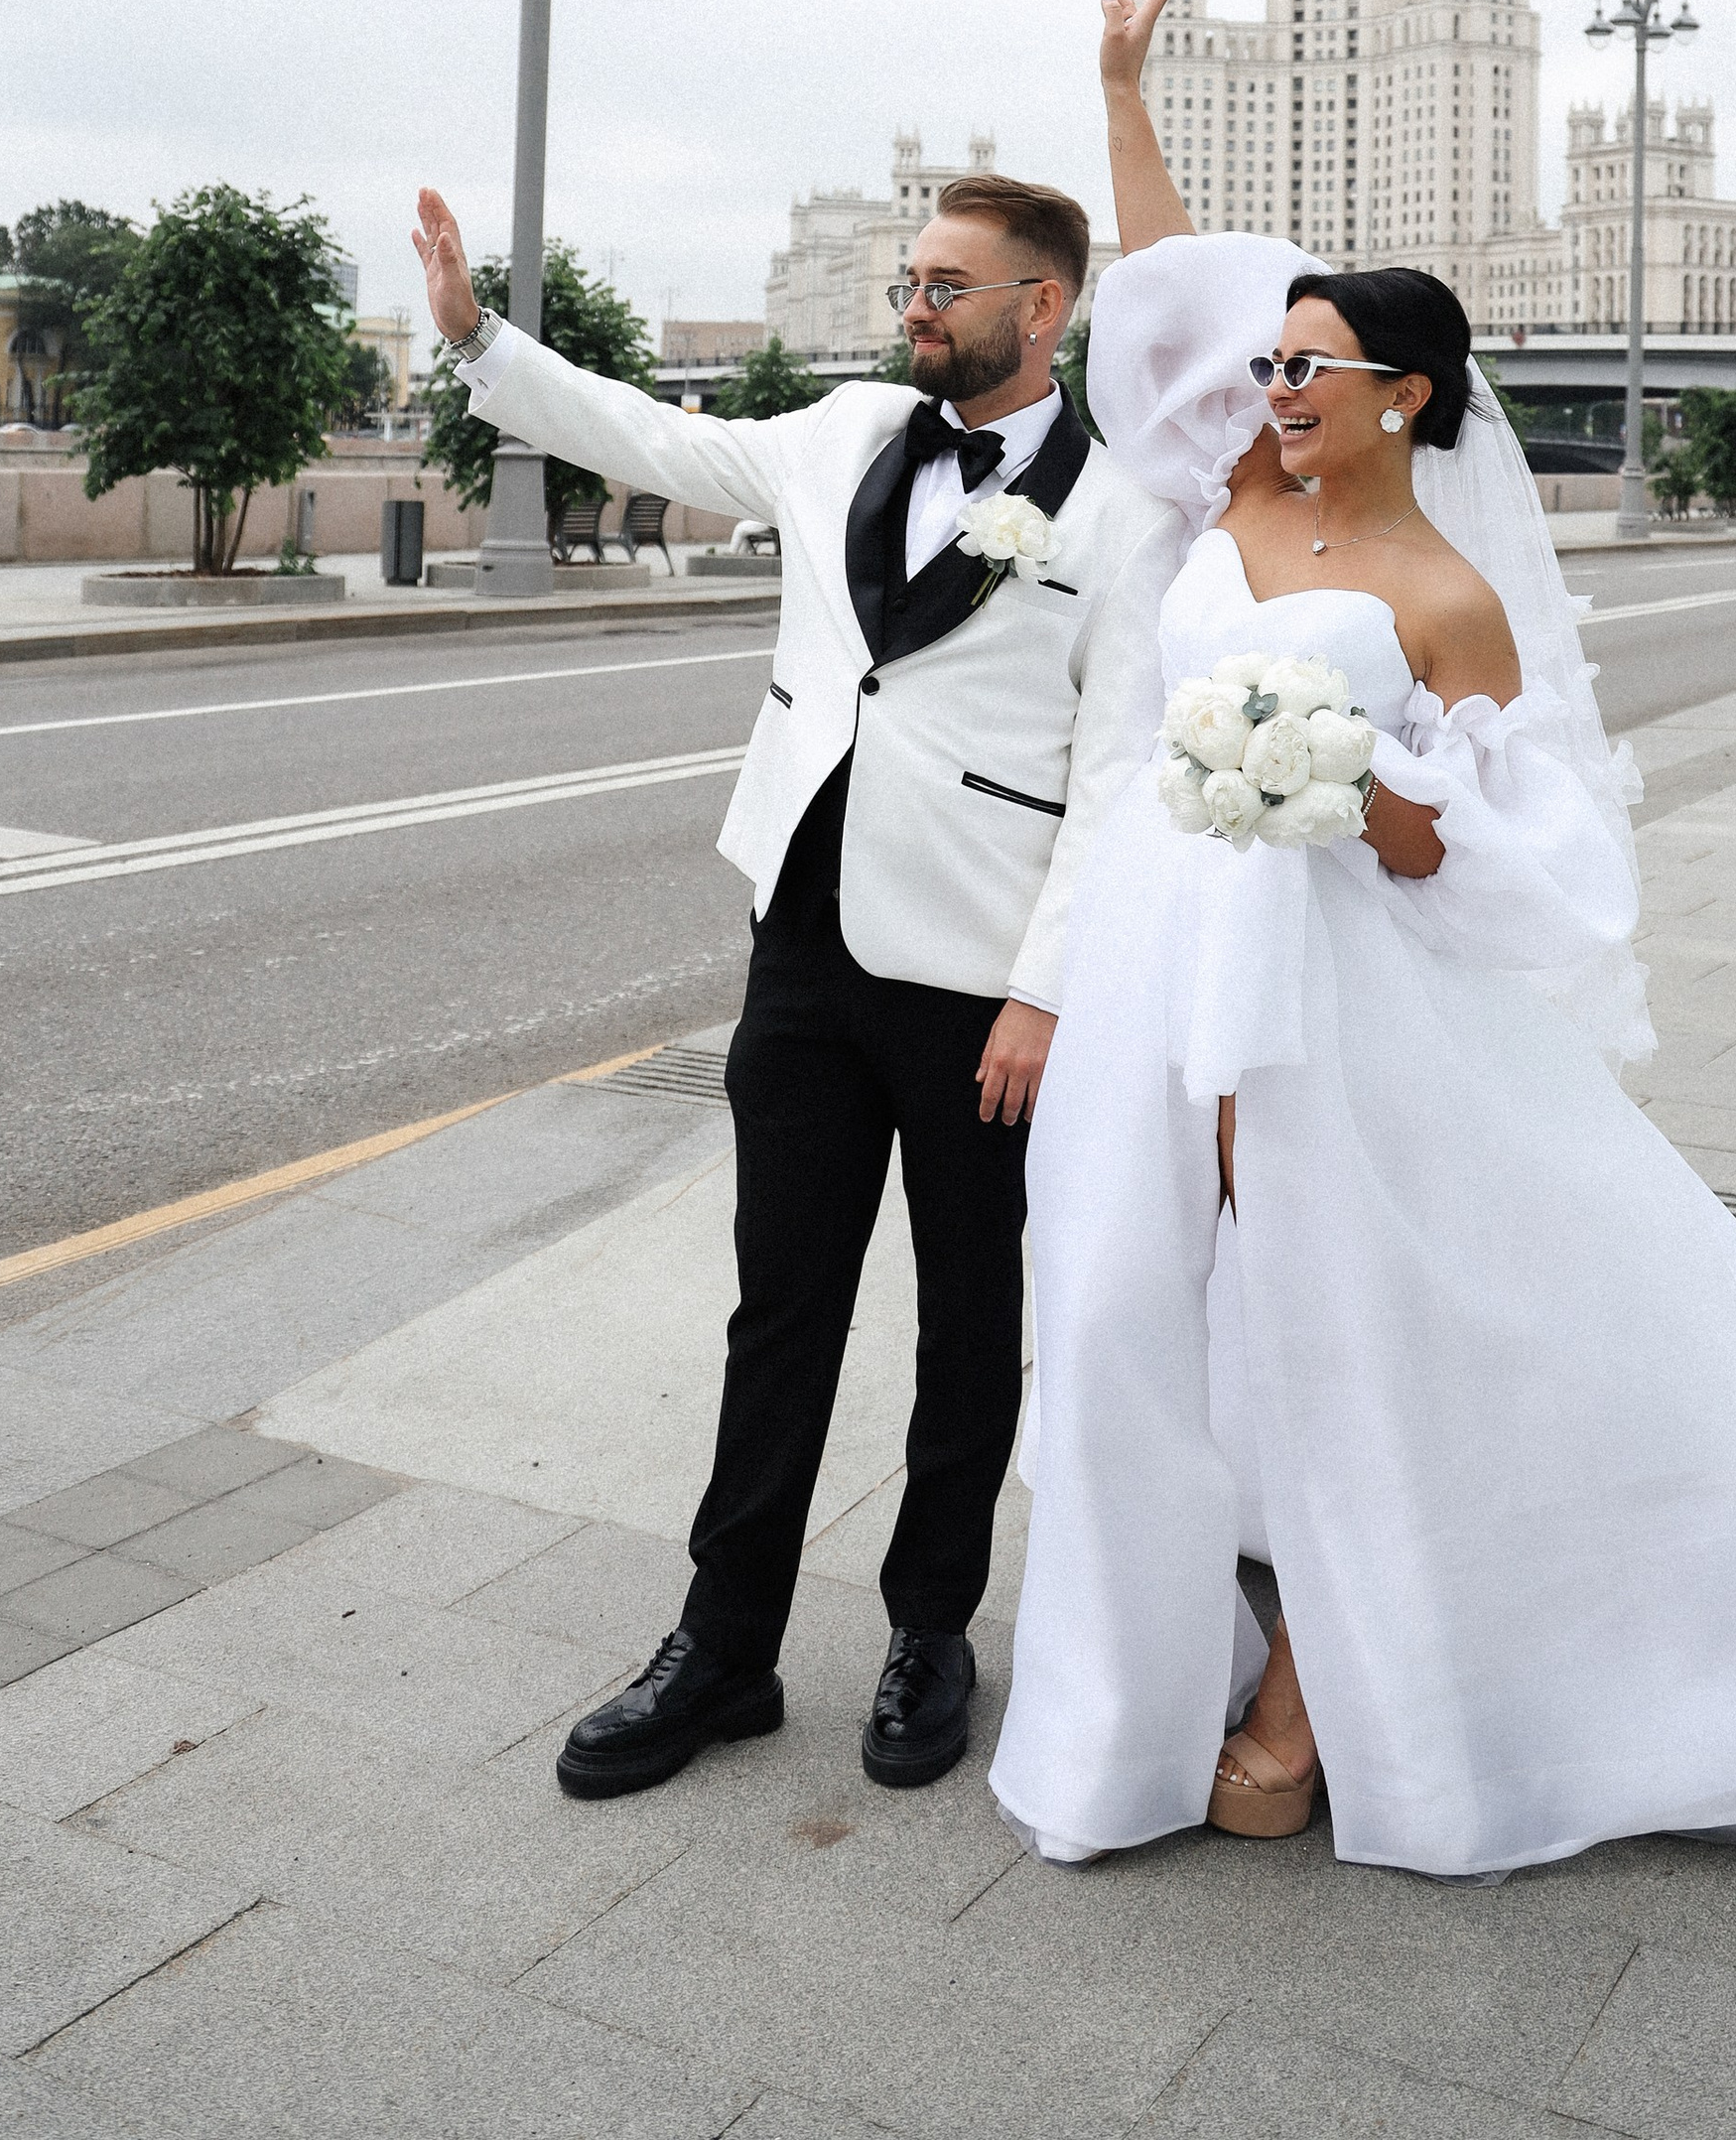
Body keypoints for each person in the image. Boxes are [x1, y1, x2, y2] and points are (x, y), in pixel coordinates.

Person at [986, 0, 1736, 1876]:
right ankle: (1140, 1687)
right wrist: (1118, 85)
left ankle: (1321, 1698)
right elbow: (1166, 293)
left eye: (1308, 368)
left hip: (1342, 991)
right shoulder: (1227, 495)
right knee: (1114, 1318)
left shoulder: (1447, 598)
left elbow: (1499, 853)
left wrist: (1343, 779)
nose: (1268, 388)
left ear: (1403, 397)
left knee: (1346, 1336)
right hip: (1167, 958)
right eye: (1270, 369)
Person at [412, 172, 1180, 1800]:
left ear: (1042, 310)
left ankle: (929, 1631)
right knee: (784, 1310)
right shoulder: (838, 431)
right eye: (913, 278)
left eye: (950, 285)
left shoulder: (1122, 517)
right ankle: (725, 1643)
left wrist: (1046, 995)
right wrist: (484, 342)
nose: (917, 305)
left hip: (982, 988)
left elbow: (1118, 778)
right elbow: (657, 441)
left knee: (973, 1324)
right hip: (804, 955)